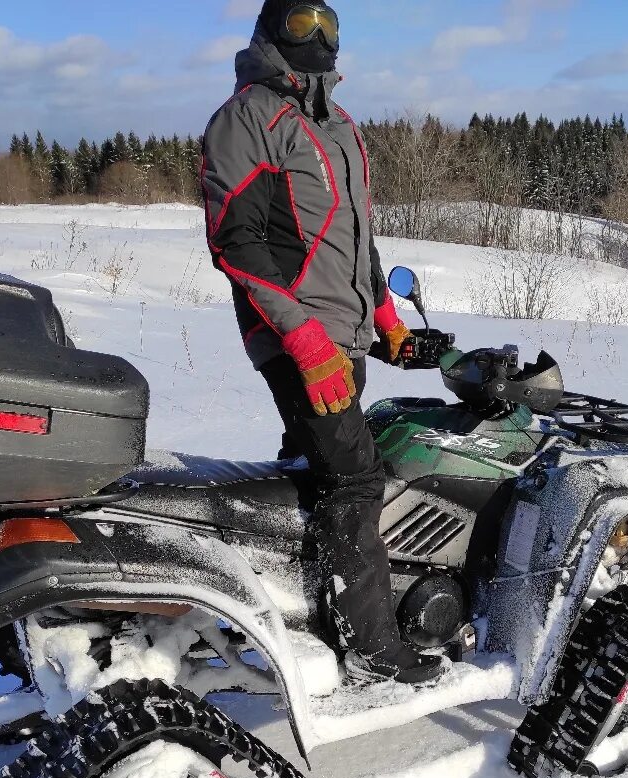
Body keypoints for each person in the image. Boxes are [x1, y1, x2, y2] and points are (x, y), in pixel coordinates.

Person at [201, 1, 445, 686]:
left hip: (346, 334)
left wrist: (388, 317)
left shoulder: (336, 125)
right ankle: (371, 648)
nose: (318, 38)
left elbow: (357, 237)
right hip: (295, 335)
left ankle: (298, 613)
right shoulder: (247, 116)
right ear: (271, 32)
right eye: (301, 23)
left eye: (328, 24)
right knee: (354, 477)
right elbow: (236, 241)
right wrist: (302, 337)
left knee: (312, 473)